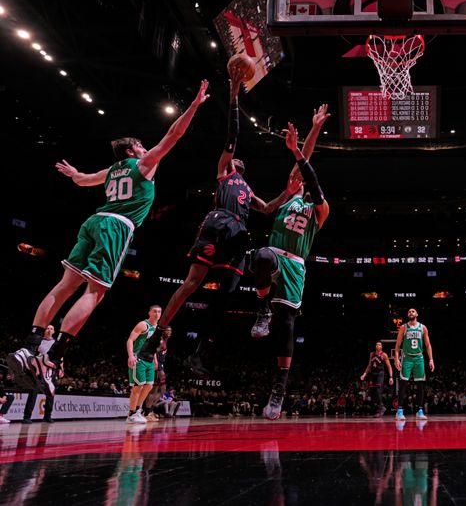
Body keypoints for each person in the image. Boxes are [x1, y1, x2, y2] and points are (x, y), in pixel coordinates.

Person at [6, 80, 210, 397]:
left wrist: (73, 174)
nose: (146, 149)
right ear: (132, 151)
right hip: (116, 225)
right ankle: (52, 356)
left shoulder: (112, 170)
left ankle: (30, 346)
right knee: (95, 292)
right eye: (142, 146)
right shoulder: (142, 164)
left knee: (64, 286)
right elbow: (174, 135)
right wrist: (195, 105)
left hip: (93, 221)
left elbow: (83, 180)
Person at [141, 74, 298, 376]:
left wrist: (286, 193)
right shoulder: (224, 172)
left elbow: (267, 209)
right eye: (234, 158)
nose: (236, 160)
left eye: (239, 160)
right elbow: (232, 137)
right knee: (191, 283)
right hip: (219, 223)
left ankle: (201, 351)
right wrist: (234, 95)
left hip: (239, 232)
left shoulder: (247, 189)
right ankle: (157, 335)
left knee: (226, 294)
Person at [248, 106, 330, 420]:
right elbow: (302, 162)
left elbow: (308, 169)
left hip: (296, 265)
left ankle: (279, 387)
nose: (305, 182)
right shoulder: (292, 193)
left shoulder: (322, 209)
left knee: (287, 325)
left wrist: (300, 153)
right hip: (276, 256)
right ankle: (261, 309)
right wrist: (310, 134)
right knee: (264, 255)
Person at [126, 305, 166, 424]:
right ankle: (131, 414)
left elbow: (152, 346)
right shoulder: (143, 325)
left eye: (159, 312)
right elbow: (130, 340)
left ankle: (138, 410)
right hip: (138, 359)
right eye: (154, 311)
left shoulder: (158, 329)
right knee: (137, 387)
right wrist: (131, 355)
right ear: (149, 313)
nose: (157, 314)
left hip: (149, 360)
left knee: (149, 386)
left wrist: (155, 360)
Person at [394, 308, 435, 421]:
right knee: (403, 384)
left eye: (413, 311)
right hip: (407, 358)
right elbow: (397, 346)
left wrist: (431, 359)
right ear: (408, 315)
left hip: (419, 358)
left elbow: (428, 345)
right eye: (409, 312)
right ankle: (400, 411)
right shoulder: (403, 327)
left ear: (417, 314)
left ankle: (420, 411)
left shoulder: (423, 328)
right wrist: (396, 359)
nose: (411, 312)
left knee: (420, 385)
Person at [22, 325, 58, 423]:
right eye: (47, 328)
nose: (49, 330)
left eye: (51, 328)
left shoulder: (56, 343)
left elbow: (60, 357)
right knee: (33, 393)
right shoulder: (38, 341)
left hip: (49, 371)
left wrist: (61, 367)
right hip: (37, 370)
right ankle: (27, 417)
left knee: (50, 394)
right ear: (45, 330)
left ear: (54, 331)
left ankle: (47, 416)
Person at [360, 342, 394, 417]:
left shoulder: (384, 355)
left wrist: (391, 377)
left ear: (381, 347)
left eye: (379, 344)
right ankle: (379, 407)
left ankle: (381, 407)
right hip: (373, 374)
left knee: (378, 389)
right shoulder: (372, 354)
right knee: (372, 392)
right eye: (376, 344)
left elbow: (389, 366)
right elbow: (369, 365)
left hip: (380, 374)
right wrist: (364, 374)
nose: (377, 345)